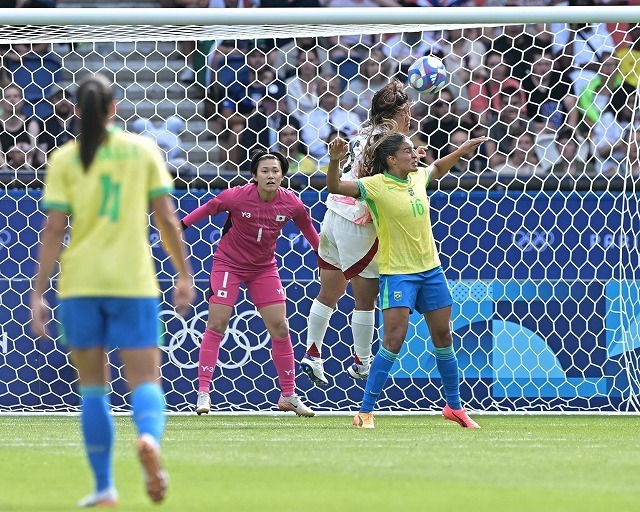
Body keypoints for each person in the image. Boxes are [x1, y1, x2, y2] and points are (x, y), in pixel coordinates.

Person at [29, 73, 195, 507]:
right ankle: (147, 438)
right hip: (133, 281)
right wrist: (183, 274)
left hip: (81, 284)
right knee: (144, 380)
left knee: (93, 387)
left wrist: (39, 291)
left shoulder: (64, 159)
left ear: (78, 111)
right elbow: (168, 220)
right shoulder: (142, 151)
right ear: (114, 108)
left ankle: (104, 487)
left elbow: (52, 229)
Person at [325, 132, 486, 430]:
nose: (415, 154)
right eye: (408, 151)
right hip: (398, 274)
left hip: (432, 271)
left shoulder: (418, 178)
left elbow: (437, 168)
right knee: (393, 340)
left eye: (414, 150)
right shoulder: (374, 186)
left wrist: (461, 150)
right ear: (390, 159)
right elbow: (334, 186)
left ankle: (454, 407)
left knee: (444, 337)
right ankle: (365, 412)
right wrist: (334, 161)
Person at [182, 150, 319, 417]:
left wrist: (325, 257)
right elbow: (210, 207)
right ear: (254, 176)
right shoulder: (236, 195)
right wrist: (182, 225)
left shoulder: (292, 203)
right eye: (265, 171)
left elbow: (309, 231)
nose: (271, 175)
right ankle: (203, 392)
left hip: (263, 268)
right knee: (217, 323)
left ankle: (288, 395)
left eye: (276, 171)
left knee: (280, 327)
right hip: (228, 265)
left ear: (283, 174)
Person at [299, 80, 411, 387]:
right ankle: (362, 362)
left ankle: (312, 353)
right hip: (358, 222)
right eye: (407, 109)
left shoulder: (365, 131)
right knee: (365, 298)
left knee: (328, 293)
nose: (410, 116)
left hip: (332, 214)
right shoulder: (391, 140)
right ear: (399, 111)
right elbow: (377, 181)